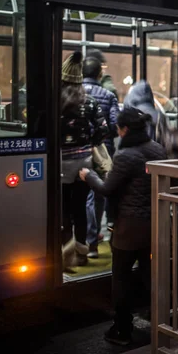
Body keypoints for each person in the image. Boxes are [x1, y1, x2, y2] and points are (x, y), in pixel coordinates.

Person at [79, 107, 167, 346]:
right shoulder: (157, 149)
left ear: (125, 129)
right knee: (151, 276)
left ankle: (122, 329)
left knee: (121, 278)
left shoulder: (126, 155)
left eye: (118, 128)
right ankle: (163, 325)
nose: (116, 132)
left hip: (129, 229)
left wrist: (89, 176)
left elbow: (108, 189)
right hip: (154, 225)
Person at [60, 51, 108, 269]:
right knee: (80, 209)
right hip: (83, 164)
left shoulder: (54, 101)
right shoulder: (89, 102)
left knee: (62, 211)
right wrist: (88, 142)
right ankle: (81, 253)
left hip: (58, 164)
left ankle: (63, 254)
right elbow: (102, 132)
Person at [83, 56, 120, 258]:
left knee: (78, 197)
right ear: (99, 74)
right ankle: (93, 241)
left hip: (75, 152)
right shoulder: (108, 95)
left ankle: (77, 241)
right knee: (96, 196)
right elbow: (114, 125)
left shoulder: (71, 93)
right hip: (101, 151)